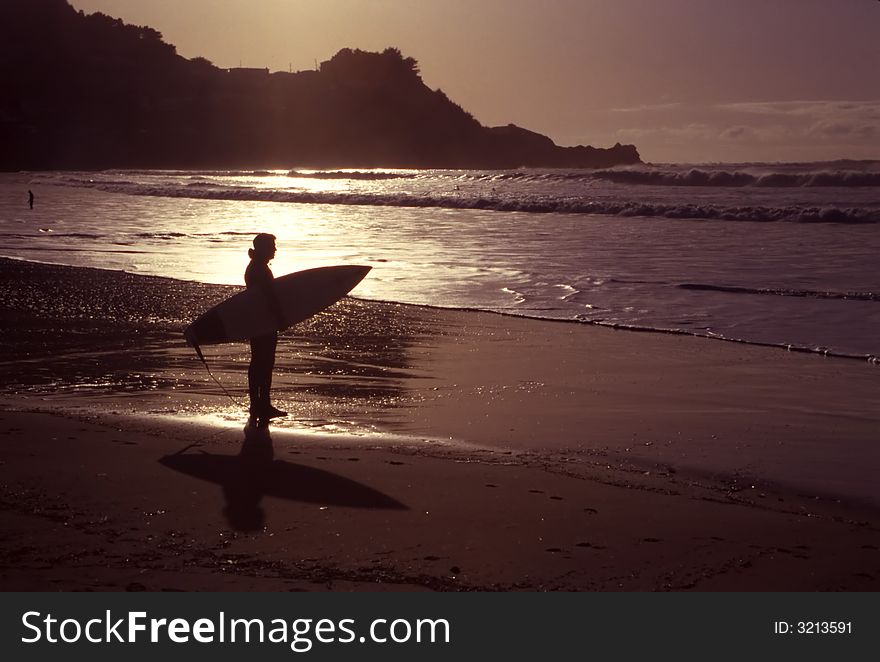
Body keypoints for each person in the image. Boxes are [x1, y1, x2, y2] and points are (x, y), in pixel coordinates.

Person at [245, 233, 288, 422]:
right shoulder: (258, 269)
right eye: (272, 246)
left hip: (258, 321)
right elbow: (268, 297)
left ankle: (259, 404)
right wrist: (280, 318)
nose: (275, 249)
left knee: (260, 363)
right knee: (263, 363)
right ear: (262, 248)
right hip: (263, 322)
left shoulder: (257, 266)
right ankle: (260, 405)